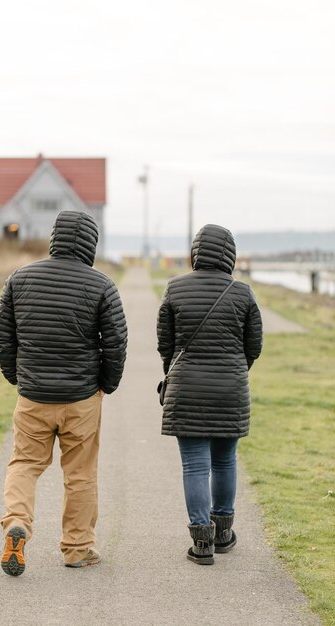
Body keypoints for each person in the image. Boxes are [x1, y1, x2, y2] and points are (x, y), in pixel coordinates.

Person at [0, 210, 127, 575]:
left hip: (33, 395)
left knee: (24, 463)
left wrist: (17, 377)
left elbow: (4, 336)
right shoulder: (101, 285)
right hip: (81, 398)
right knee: (80, 473)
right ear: (90, 243)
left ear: (54, 238)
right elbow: (115, 343)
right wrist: (106, 384)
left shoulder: (19, 278)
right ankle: (77, 549)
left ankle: (17, 523)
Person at [157, 224, 262, 565]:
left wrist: (173, 369)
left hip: (186, 387)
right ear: (229, 254)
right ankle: (224, 533)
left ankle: (202, 543)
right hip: (230, 388)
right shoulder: (243, 293)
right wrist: (233, 368)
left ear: (195, 253)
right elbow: (254, 346)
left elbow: (165, 343)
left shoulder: (175, 288)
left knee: (195, 466)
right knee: (225, 461)